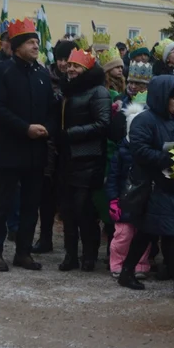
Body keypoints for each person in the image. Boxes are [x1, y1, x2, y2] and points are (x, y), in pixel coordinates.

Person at [117, 75, 174, 298]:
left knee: (149, 231)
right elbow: (138, 150)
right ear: (162, 97)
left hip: (171, 184)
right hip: (151, 185)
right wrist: (165, 158)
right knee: (169, 232)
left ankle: (127, 271)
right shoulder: (144, 120)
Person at [0, 20, 58, 271]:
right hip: (10, 148)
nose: (36, 46)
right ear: (16, 47)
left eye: (37, 42)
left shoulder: (41, 74)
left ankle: (23, 252)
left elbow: (51, 107)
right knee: (2, 203)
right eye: (30, 42)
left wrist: (47, 127)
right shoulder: (2, 71)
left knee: (30, 204)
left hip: (36, 151)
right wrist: (24, 128)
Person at [57, 45, 110, 272]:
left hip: (89, 158)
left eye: (76, 66)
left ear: (87, 69)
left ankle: (89, 255)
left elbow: (103, 124)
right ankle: (70, 255)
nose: (70, 69)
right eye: (69, 65)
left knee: (85, 210)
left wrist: (69, 135)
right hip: (67, 158)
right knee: (67, 210)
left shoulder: (98, 92)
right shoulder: (68, 91)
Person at [106, 93, 152, 279]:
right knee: (123, 236)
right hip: (124, 201)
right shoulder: (121, 152)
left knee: (142, 235)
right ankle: (117, 263)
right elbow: (113, 177)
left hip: (142, 201)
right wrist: (113, 199)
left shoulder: (148, 152)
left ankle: (140, 264)